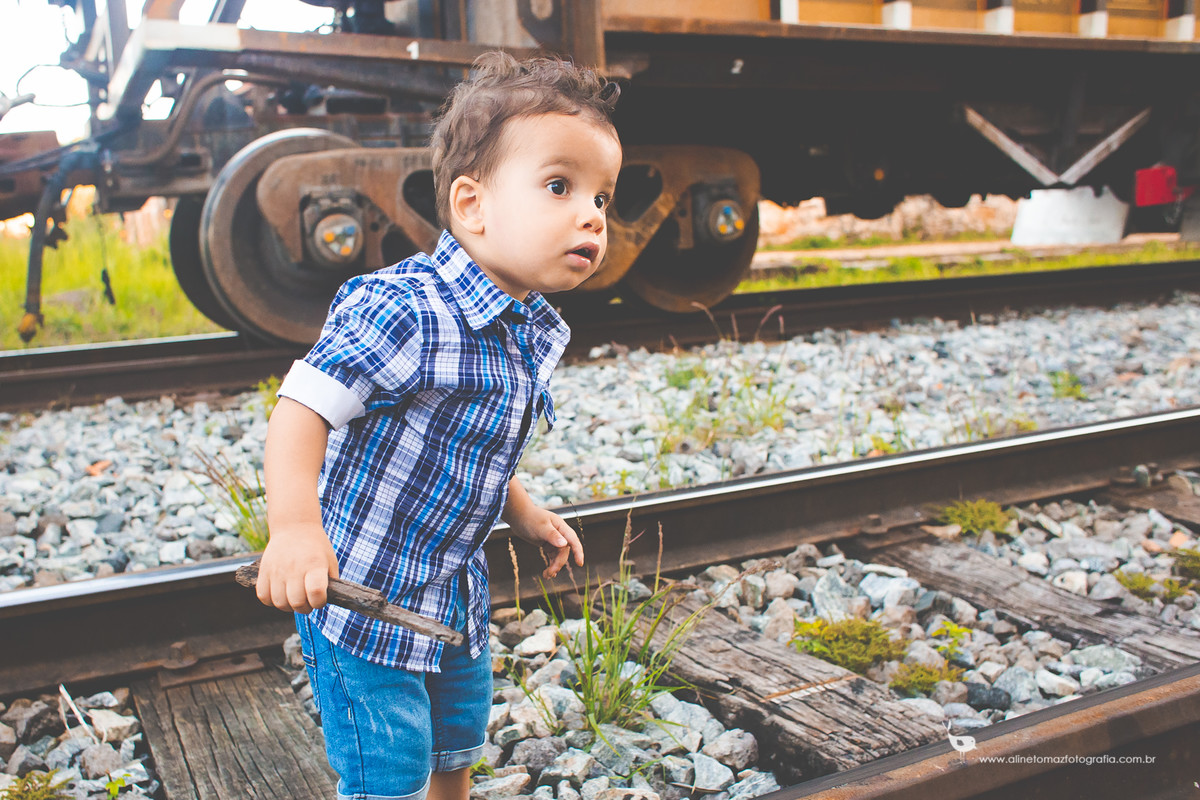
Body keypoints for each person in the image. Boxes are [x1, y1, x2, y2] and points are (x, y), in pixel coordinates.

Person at [254, 52, 622, 800]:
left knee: (457, 736)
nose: (591, 214)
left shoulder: (527, 324)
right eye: (561, 187)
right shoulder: (407, 309)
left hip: (451, 590)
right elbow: (302, 407)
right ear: (471, 205)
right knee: (389, 763)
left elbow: (477, 440)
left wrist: (525, 512)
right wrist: (294, 528)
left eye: (603, 197)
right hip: (361, 597)